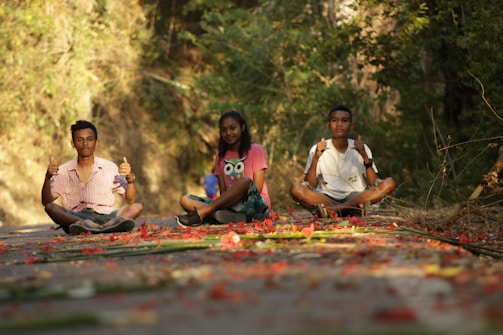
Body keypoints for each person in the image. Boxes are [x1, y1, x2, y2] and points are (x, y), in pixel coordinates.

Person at [289, 105, 396, 218]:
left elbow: (373, 183)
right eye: (335, 120)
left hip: (356, 196)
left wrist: (364, 156)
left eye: (344, 121)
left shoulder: (361, 147)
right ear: (329, 125)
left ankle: (335, 210)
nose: (339, 124)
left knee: (389, 183)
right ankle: (351, 210)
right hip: (326, 198)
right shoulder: (318, 148)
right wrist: (315, 158)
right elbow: (309, 185)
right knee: (295, 188)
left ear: (351, 126)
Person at [41, 120, 144, 235]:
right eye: (80, 140)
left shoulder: (109, 167)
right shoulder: (63, 171)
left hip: (107, 216)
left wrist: (129, 176)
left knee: (137, 207)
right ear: (73, 144)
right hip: (77, 217)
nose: (85, 143)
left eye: (90, 139)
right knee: (51, 208)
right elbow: (46, 202)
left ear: (96, 143)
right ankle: (85, 225)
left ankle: (112, 224)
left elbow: (131, 199)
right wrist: (47, 177)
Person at [175, 110, 270, 227]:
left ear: (242, 127)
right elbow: (223, 193)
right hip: (230, 206)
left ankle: (204, 213)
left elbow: (258, 188)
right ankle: (229, 216)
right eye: (224, 130)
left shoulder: (256, 150)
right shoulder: (220, 157)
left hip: (255, 205)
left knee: (245, 181)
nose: (228, 132)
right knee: (185, 200)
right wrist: (227, 204)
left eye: (232, 128)